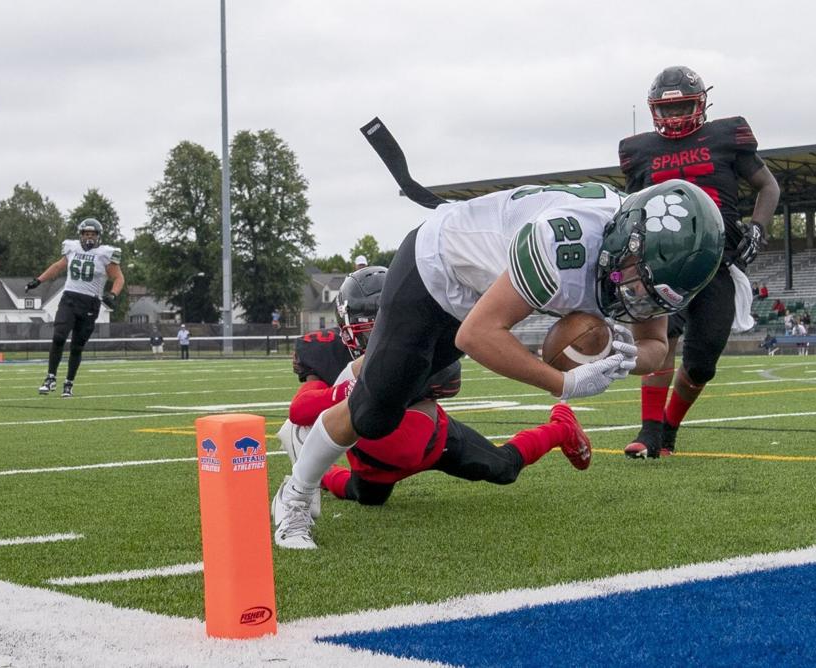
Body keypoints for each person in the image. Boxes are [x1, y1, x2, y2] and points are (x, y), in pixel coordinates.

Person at [273, 179, 725, 548]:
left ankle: (320, 434)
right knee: (375, 413)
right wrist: (564, 384)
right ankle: (294, 493)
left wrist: (624, 357)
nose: (636, 293)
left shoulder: (657, 262)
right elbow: (477, 334)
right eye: (634, 275)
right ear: (626, 236)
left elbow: (656, 347)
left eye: (653, 291)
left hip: (482, 290)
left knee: (395, 398)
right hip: (438, 266)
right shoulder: (562, 244)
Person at [276, 268, 590, 518]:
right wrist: (352, 387)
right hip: (374, 459)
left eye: (383, 327)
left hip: (435, 443)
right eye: (368, 331)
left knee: (505, 468)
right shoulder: (327, 352)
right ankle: (316, 476)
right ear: (346, 329)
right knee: (365, 497)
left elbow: (447, 380)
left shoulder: (416, 347)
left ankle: (561, 426)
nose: (379, 340)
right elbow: (299, 410)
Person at [618, 65, 781, 460]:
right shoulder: (640, 151)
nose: (674, 117)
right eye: (667, 110)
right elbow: (630, 208)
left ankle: (670, 427)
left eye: (683, 107)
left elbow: (768, 186)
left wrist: (757, 228)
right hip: (660, 263)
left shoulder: (726, 138)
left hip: (715, 261)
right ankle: (649, 432)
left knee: (703, 359)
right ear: (654, 110)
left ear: (701, 103)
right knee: (661, 341)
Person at [26, 218, 124, 397]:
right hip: (69, 298)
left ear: (98, 236)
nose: (89, 237)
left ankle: (69, 383)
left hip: (90, 302)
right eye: (86, 234)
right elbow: (58, 267)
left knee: (77, 346)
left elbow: (118, 278)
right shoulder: (72, 248)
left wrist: (113, 295)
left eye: (92, 234)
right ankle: (50, 378)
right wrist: (38, 280)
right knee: (58, 336)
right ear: (80, 235)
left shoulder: (106, 254)